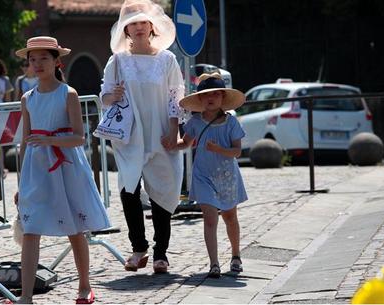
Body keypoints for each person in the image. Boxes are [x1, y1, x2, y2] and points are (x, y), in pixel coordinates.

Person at [14, 36, 111, 304]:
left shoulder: (68, 93)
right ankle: (25, 297)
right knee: (31, 228)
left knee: (74, 227)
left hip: (66, 166)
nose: (37, 64)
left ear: (57, 61)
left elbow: (80, 137)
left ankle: (84, 286)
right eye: (32, 60)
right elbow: (24, 141)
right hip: (36, 168)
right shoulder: (27, 98)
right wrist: (21, 183)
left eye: (43, 58)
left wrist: (50, 140)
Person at [100, 0, 184, 273]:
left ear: (152, 26)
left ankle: (161, 252)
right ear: (125, 29)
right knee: (128, 190)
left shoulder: (167, 60)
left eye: (142, 22)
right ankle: (139, 248)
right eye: (132, 23)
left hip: (160, 133)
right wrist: (113, 95)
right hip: (129, 137)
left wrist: (174, 130)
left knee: (163, 190)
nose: (137, 27)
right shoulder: (118, 61)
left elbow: (175, 98)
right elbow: (104, 95)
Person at [176, 72, 248, 278]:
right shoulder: (195, 122)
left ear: (223, 97)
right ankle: (214, 263)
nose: (211, 98)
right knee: (209, 218)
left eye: (216, 94)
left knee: (230, 217)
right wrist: (169, 145)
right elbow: (185, 143)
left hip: (227, 177)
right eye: (206, 94)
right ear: (199, 98)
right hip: (203, 176)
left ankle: (235, 255)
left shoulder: (231, 123)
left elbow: (237, 152)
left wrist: (219, 150)